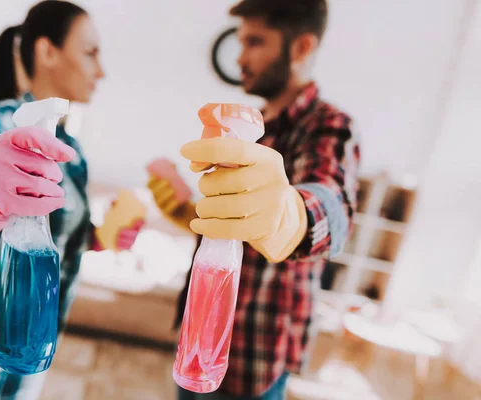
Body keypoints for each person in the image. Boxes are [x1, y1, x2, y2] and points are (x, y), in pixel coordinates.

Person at [0, 1, 143, 399]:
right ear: (47, 52)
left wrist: (100, 235)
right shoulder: (2, 123)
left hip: (31, 356)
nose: (102, 70)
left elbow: (52, 237)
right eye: (91, 52)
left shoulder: (69, 148)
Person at [148, 0, 360, 399]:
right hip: (197, 340)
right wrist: (189, 215)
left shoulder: (328, 126)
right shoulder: (248, 127)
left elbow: (334, 206)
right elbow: (242, 221)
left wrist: (291, 216)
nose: (241, 57)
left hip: (258, 358)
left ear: (300, 48)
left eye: (255, 42)